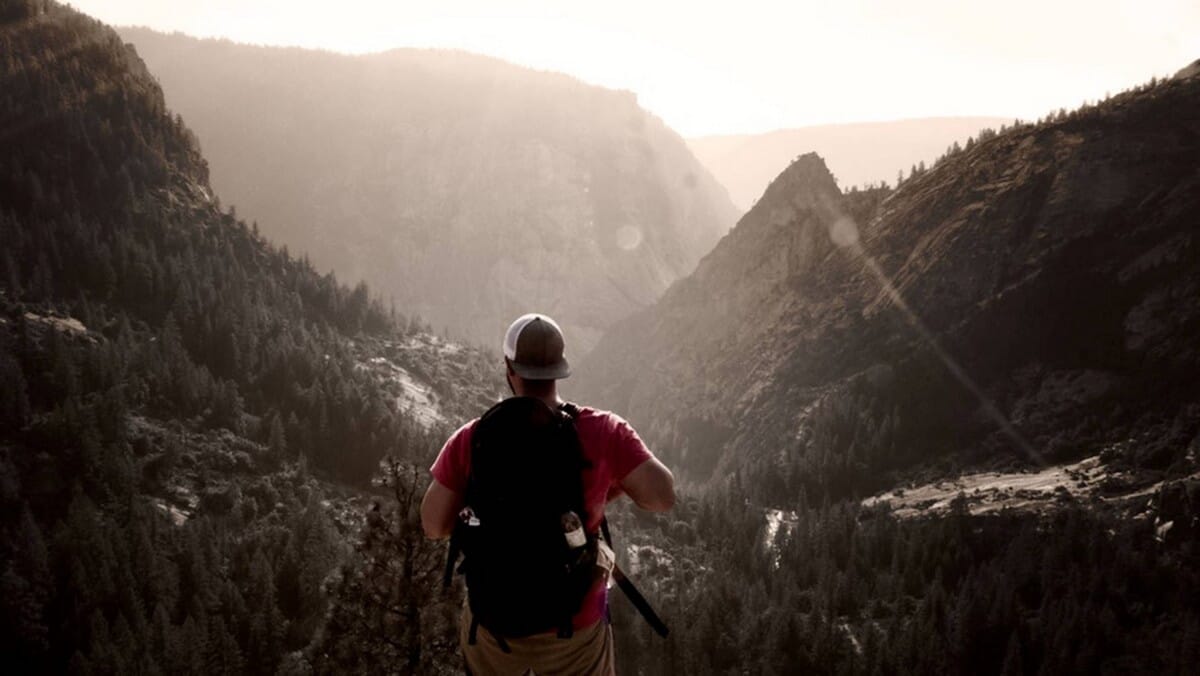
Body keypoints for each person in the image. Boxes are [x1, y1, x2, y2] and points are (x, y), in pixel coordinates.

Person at [421, 312, 675, 675]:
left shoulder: (473, 438)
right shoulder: (604, 431)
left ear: (509, 368)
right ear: (560, 368)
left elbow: (432, 525)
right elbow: (662, 496)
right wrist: (603, 493)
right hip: (575, 626)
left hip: (495, 625)